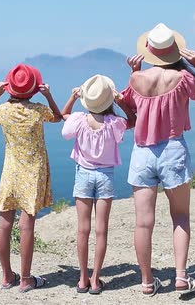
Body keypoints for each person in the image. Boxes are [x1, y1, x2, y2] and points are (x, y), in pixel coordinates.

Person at [121, 23, 195, 296]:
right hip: (173, 151)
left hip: (142, 154)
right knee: (180, 215)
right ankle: (181, 276)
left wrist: (135, 73)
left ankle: (147, 282)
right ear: (174, 52)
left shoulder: (136, 80)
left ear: (148, 51)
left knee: (143, 222)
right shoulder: (184, 79)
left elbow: (128, 110)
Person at [0, 63, 62, 293]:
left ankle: (7, 276)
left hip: (10, 172)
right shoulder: (38, 111)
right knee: (27, 227)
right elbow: (58, 116)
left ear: (10, 88)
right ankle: (26, 279)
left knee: (4, 224)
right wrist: (49, 95)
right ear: (34, 89)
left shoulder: (3, 112)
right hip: (33, 173)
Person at [61, 74, 136, 295]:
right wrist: (122, 103)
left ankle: (83, 279)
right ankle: (95, 280)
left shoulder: (78, 119)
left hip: (83, 175)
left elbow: (64, 115)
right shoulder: (114, 123)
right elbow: (132, 121)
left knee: (83, 230)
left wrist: (73, 97)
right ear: (108, 100)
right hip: (105, 177)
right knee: (101, 231)